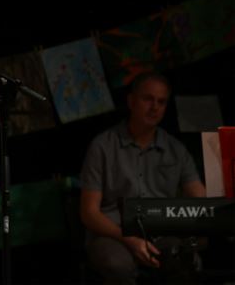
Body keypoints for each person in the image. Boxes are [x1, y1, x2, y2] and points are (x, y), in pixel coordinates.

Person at [79, 72, 206, 284]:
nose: (154, 107)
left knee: (187, 260)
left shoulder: (176, 149)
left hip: (160, 232)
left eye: (161, 102)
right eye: (148, 99)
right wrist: (129, 239)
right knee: (117, 264)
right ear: (131, 101)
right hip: (113, 233)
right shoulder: (102, 146)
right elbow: (89, 213)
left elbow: (198, 195)